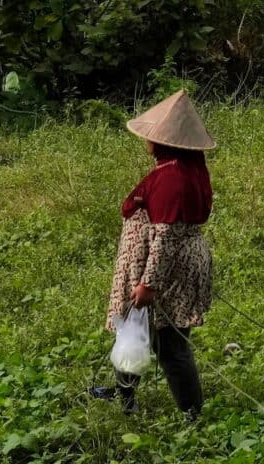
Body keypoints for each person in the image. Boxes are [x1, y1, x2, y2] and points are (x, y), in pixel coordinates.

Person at [91, 89, 216, 419]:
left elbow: (164, 237)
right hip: (173, 264)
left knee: (169, 344)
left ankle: (192, 414)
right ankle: (124, 395)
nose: (146, 139)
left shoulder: (171, 178)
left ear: (167, 141)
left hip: (163, 270)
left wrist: (149, 284)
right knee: (133, 329)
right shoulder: (186, 168)